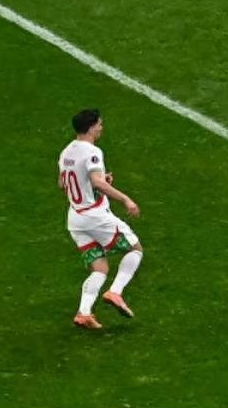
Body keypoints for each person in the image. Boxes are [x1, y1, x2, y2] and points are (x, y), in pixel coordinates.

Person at [58, 109, 144, 329]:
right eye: (99, 124)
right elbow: (97, 183)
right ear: (90, 127)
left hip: (75, 219)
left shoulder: (66, 152)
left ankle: (84, 313)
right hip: (94, 216)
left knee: (100, 268)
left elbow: (62, 183)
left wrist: (95, 181)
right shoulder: (93, 152)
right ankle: (115, 292)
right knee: (135, 249)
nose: (101, 128)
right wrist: (125, 199)